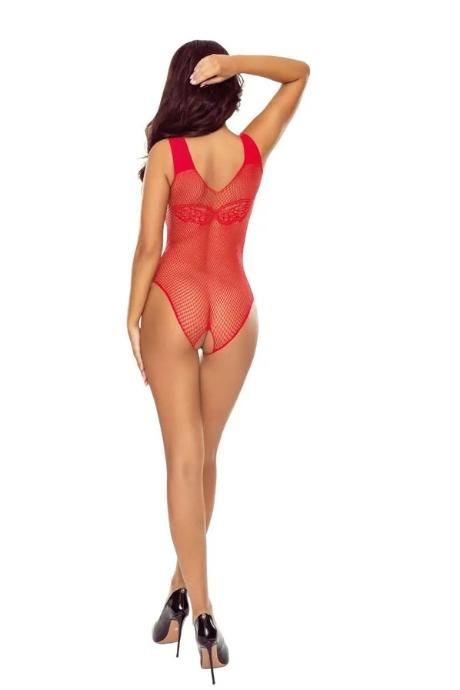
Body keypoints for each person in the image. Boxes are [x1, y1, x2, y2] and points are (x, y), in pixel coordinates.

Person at [127, 41, 310, 683]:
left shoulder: (167, 154)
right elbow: (299, 75)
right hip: (235, 308)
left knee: (184, 459)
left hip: (175, 301)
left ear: (178, 86)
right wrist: (240, 64)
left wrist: (130, 315)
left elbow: (149, 248)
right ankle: (178, 598)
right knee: (205, 457)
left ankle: (202, 612)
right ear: (226, 88)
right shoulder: (252, 148)